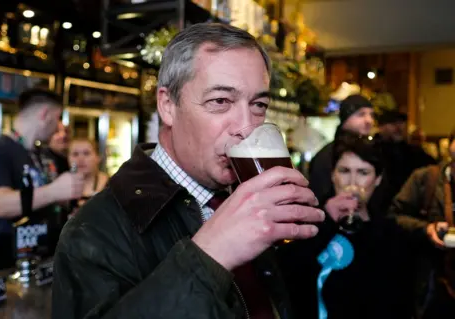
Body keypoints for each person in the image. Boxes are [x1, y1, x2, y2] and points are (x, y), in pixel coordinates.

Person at [52, 23, 324, 319]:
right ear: (167, 105)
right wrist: (209, 256)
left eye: (258, 104)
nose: (246, 128)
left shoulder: (248, 196)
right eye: (220, 101)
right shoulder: (92, 230)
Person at [279, 134, 416, 319]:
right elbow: (287, 276)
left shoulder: (391, 235)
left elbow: (399, 302)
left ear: (377, 179)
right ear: (333, 175)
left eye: (363, 173)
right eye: (344, 171)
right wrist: (326, 221)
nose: (352, 183)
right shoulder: (309, 223)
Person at [0, 89, 84, 269]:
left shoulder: (44, 154)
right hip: (2, 266)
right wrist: (54, 191)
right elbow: (0, 204)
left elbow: (44, 200)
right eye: (57, 118)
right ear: (44, 115)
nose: (58, 127)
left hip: (40, 259)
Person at [388, 129, 455, 318]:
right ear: (450, 145)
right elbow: (394, 217)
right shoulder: (426, 178)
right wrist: (426, 229)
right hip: (431, 282)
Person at [309, 94, 375, 205]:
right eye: (361, 114)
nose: (369, 120)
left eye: (371, 115)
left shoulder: (373, 151)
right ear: (345, 117)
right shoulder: (327, 155)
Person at [67, 138, 108, 209]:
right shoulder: (61, 185)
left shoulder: (110, 186)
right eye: (75, 154)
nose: (80, 159)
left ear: (98, 157)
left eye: (86, 153)